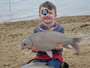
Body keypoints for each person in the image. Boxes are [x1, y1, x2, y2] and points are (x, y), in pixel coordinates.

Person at [32, 1, 64, 68]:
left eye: (50, 13)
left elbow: (61, 42)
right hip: (40, 56)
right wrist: (34, 48)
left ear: (55, 15)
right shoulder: (36, 29)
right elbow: (34, 44)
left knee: (53, 65)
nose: (47, 15)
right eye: (44, 12)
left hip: (55, 56)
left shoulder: (60, 28)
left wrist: (60, 45)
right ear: (40, 15)